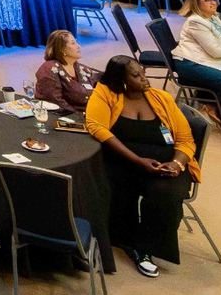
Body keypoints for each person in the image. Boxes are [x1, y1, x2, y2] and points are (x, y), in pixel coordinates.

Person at [85, 56, 198, 277]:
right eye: (136, 76)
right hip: (123, 160)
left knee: (166, 194)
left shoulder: (162, 98)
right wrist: (137, 161)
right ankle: (125, 239)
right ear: (121, 80)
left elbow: (186, 140)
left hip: (165, 162)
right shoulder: (106, 94)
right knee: (113, 184)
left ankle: (144, 247)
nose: (144, 79)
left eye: (142, 72)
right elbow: (96, 127)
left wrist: (176, 164)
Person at [34, 30, 96, 115]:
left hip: (90, 114)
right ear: (62, 49)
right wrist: (80, 116)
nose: (78, 46)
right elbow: (55, 102)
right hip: (65, 118)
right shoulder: (49, 70)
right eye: (73, 43)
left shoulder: (82, 69)